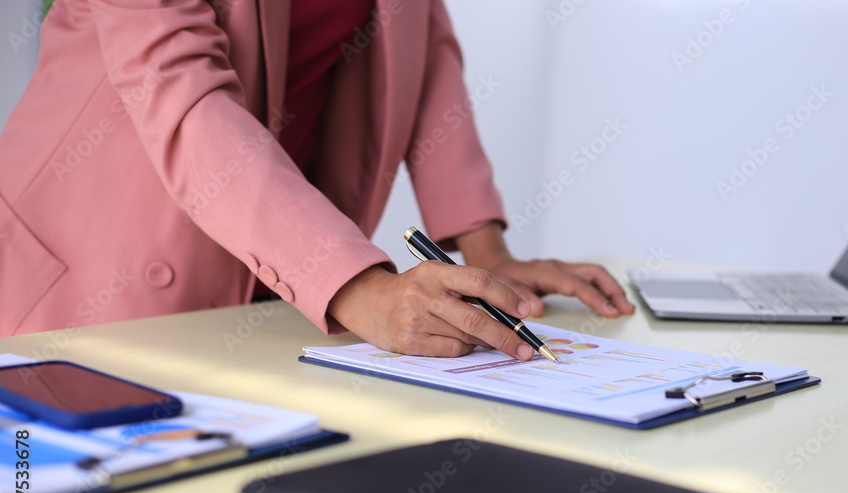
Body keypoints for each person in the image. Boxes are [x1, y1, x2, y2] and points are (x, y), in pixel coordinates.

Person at [0, 0, 633, 360]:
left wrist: (485, 250)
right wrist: (360, 289)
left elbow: (424, 44)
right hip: (89, 258)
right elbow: (182, 92)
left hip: (271, 266)